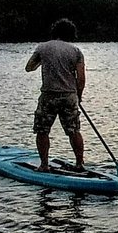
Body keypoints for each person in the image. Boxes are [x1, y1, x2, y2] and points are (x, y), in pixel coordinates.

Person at [25, 19, 86, 172]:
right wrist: (78, 96)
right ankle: (79, 164)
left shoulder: (42, 48)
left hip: (48, 96)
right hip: (69, 96)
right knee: (73, 130)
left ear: (54, 32)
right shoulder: (76, 51)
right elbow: (81, 78)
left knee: (42, 130)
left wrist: (43, 60)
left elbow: (29, 68)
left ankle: (44, 165)